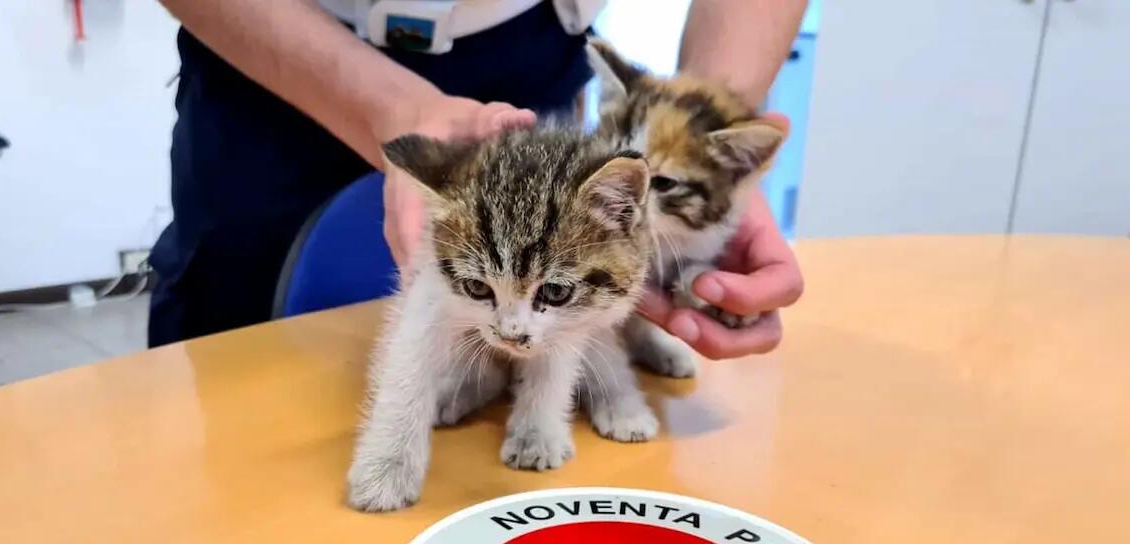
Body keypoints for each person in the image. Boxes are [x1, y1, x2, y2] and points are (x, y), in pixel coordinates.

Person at [148, 0, 807, 359]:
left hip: (532, 43)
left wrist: (707, 160)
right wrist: (392, 110)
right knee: (243, 378)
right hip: (275, 52)